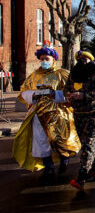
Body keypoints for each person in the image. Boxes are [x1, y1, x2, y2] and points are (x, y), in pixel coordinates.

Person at [13, 42, 81, 183]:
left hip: (58, 114)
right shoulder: (34, 75)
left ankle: (64, 159)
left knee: (58, 139)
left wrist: (55, 94)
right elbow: (23, 91)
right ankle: (48, 167)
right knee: (41, 141)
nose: (44, 61)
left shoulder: (62, 74)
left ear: (53, 60)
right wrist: (33, 95)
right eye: (42, 59)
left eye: (47, 59)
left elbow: (72, 92)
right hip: (38, 114)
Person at [64, 50, 95, 190]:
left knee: (88, 143)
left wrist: (84, 95)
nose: (83, 61)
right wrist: (69, 95)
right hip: (78, 113)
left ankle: (82, 176)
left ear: (91, 60)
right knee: (85, 142)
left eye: (85, 59)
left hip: (94, 113)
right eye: (80, 59)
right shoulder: (74, 72)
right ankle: (94, 171)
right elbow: (66, 88)